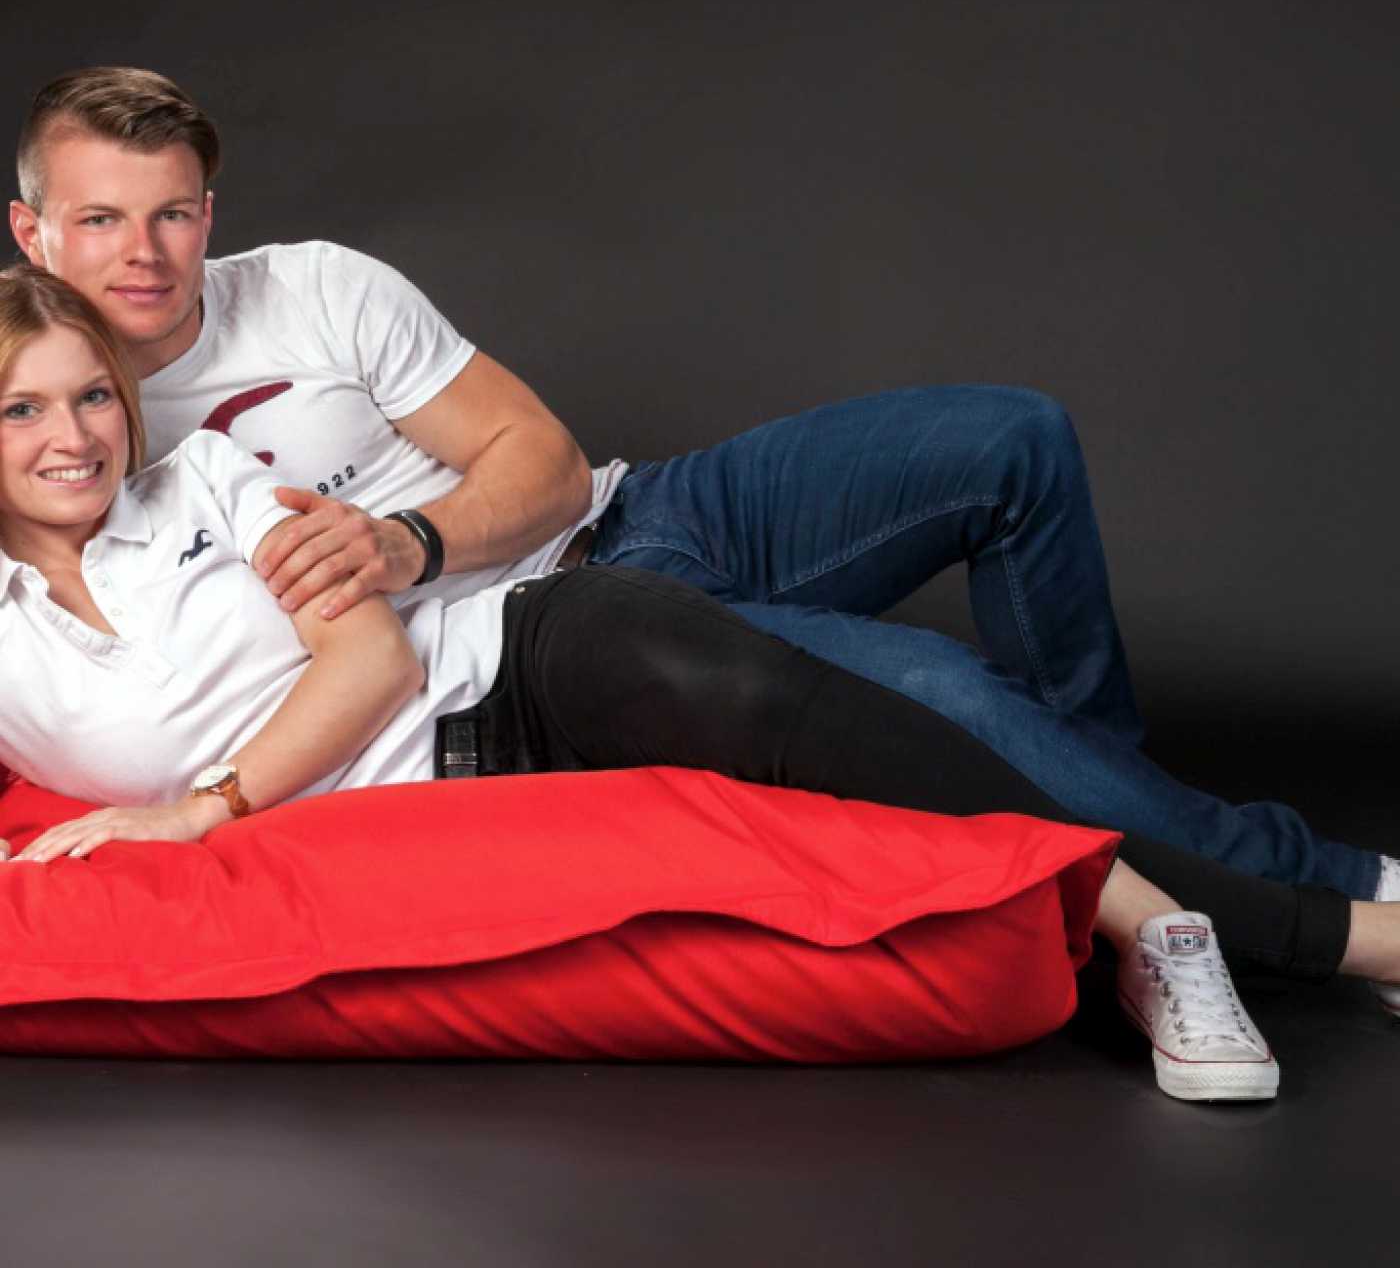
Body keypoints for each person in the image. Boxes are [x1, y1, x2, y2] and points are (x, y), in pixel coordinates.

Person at [3, 263, 1400, 1103]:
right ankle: (1238, 916)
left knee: (845, 697)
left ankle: (1243, 930)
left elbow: (370, 653)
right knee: (918, 695)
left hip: (532, 656)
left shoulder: (206, 475)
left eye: (92, 395)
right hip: (460, 779)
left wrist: (208, 807)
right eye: (22, 407)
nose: (75, 436)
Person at [14, 68, 1390, 906]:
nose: (144, 254)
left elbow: (543, 461)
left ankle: (1137, 859)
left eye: (173, 212)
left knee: (1010, 439)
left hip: (636, 514)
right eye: (100, 219)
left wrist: (409, 540)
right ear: (32, 233)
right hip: (562, 644)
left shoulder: (315, 287)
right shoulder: (63, 423)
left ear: (210, 212)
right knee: (945, 692)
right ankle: (1314, 885)